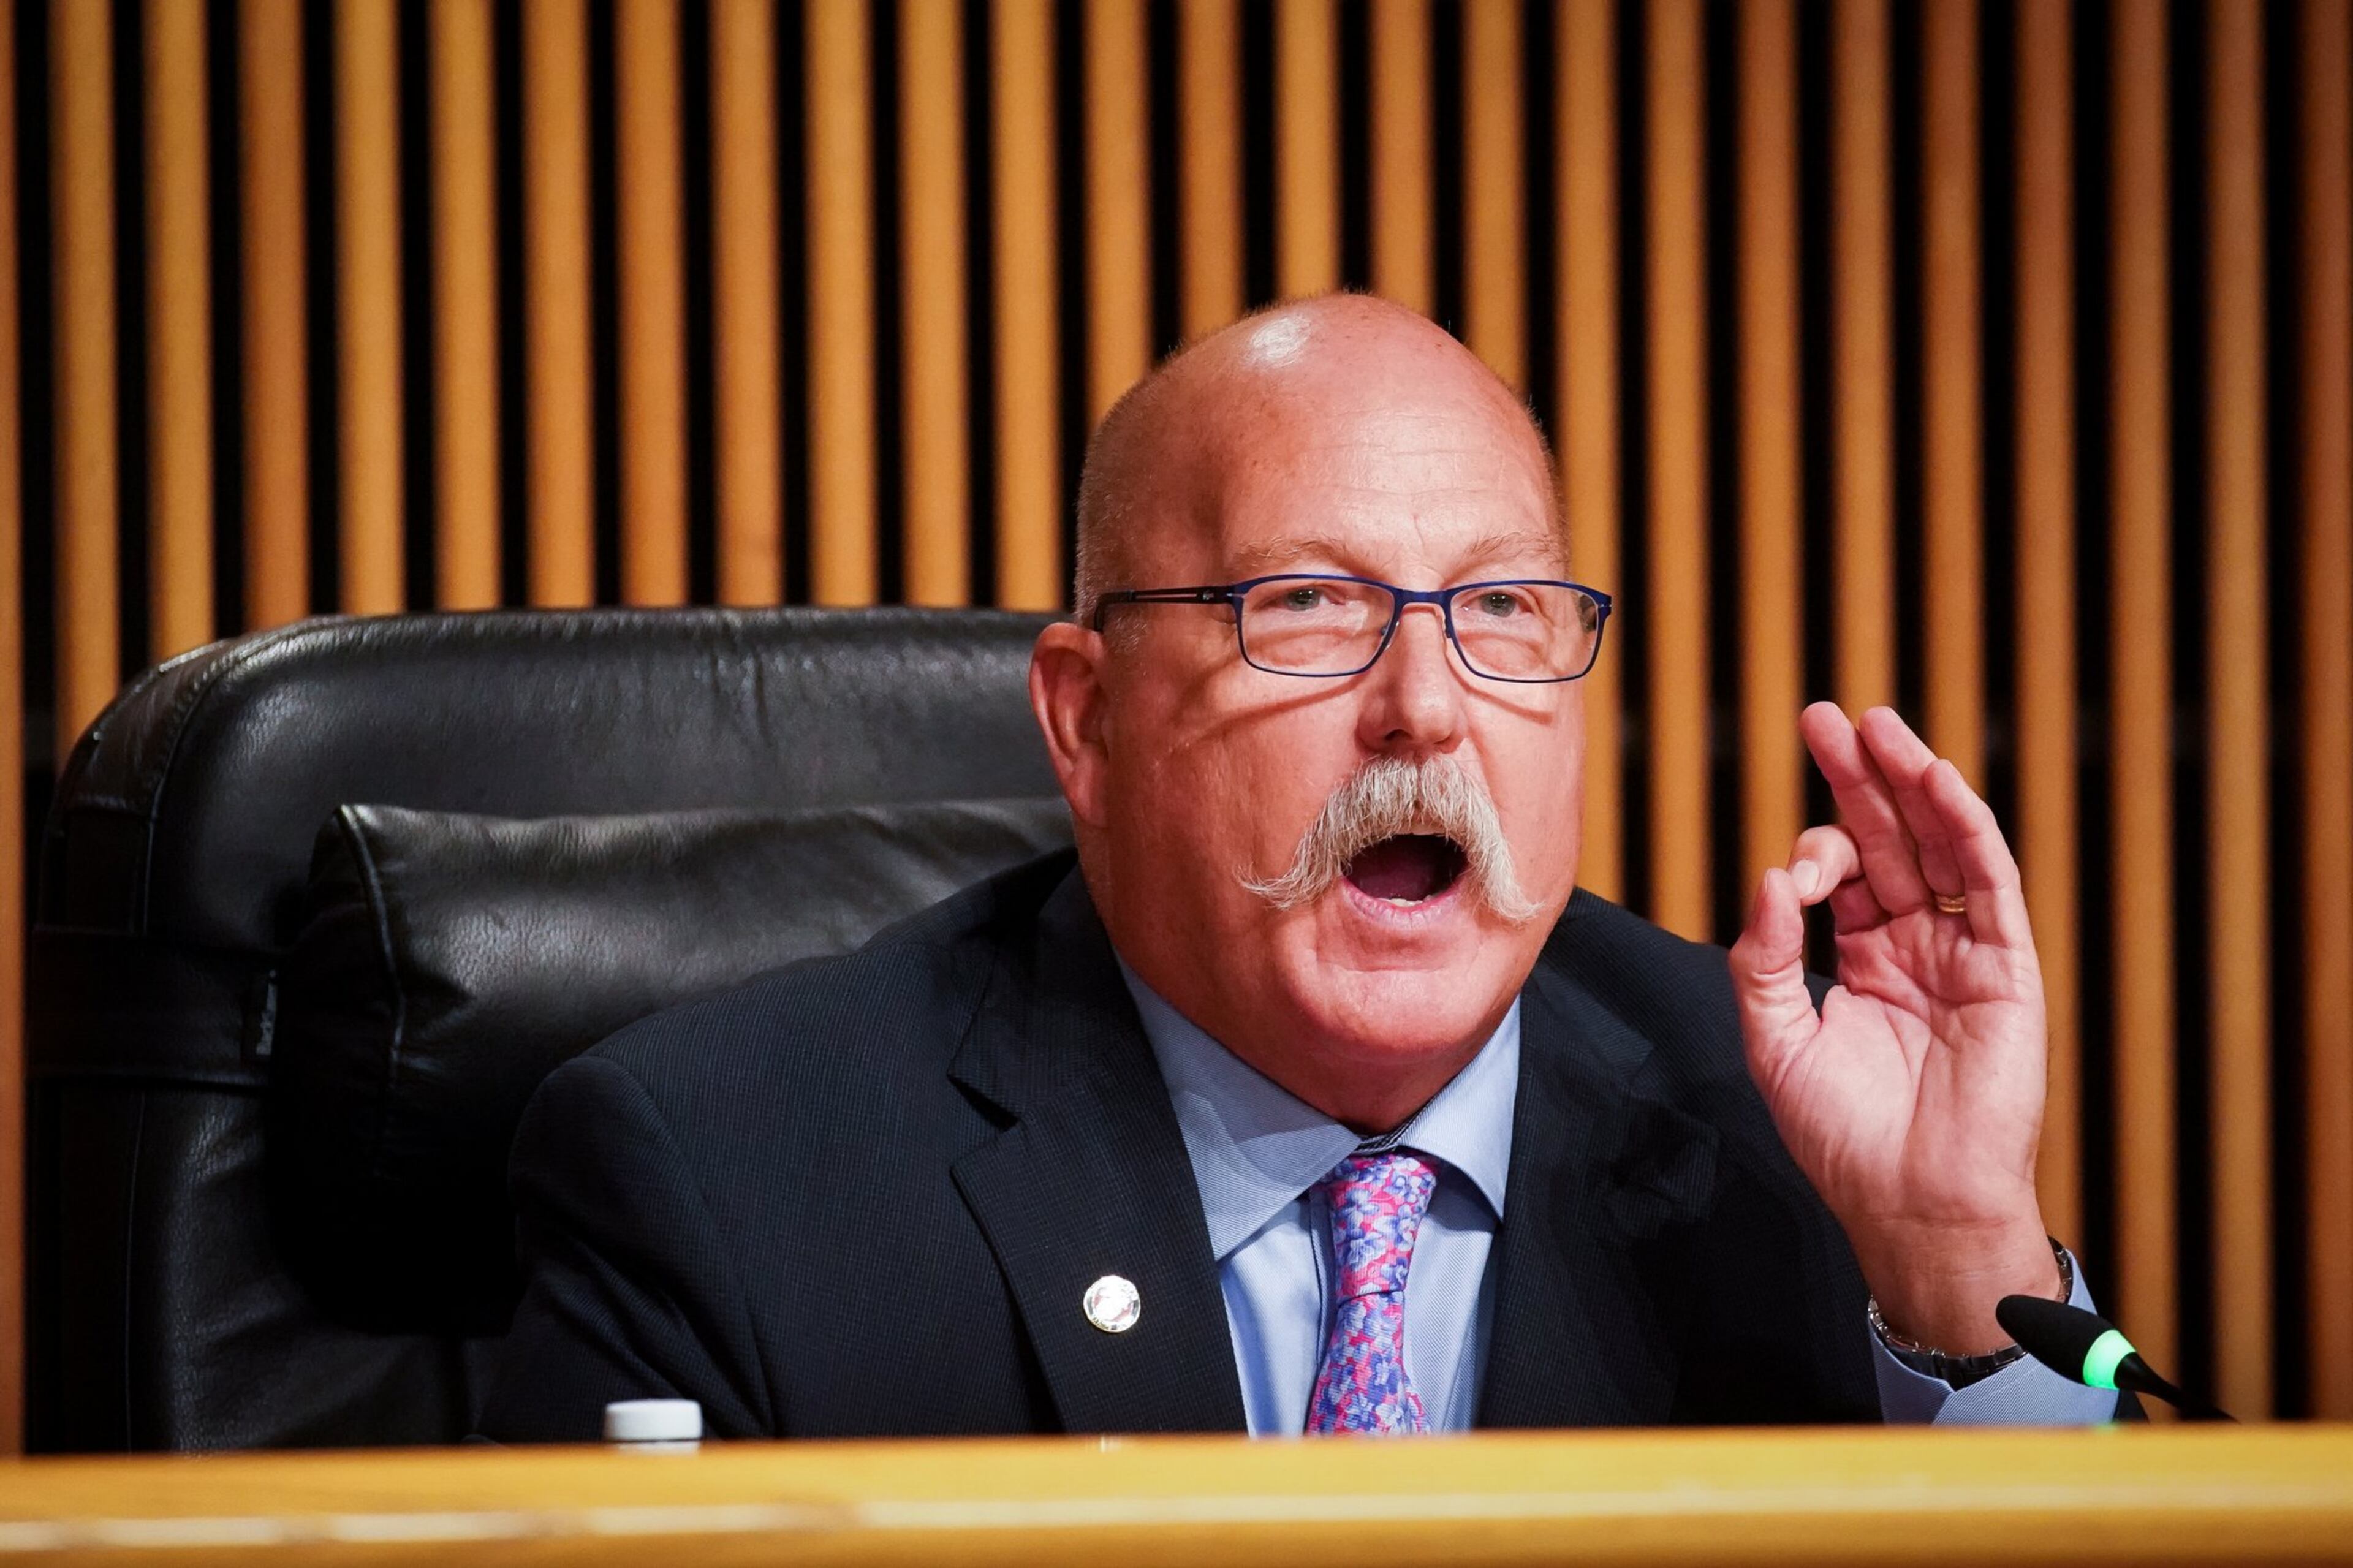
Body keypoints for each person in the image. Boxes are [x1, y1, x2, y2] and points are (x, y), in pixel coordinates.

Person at [479, 295, 2115, 1441]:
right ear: (1089, 719)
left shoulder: (1805, 1146)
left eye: (1501, 614)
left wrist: (1964, 1258)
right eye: (1310, 609)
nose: (1425, 709)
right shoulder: (727, 1178)